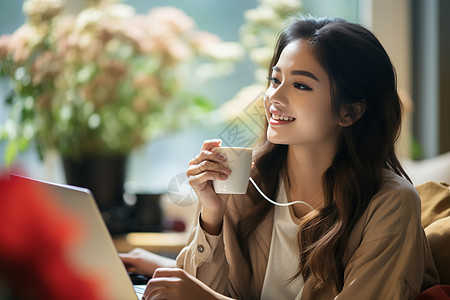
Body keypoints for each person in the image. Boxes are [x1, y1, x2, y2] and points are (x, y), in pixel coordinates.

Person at [120, 15, 439, 299]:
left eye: (300, 85)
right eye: (275, 80)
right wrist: (212, 216)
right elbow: (195, 290)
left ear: (350, 111)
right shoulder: (246, 181)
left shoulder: (390, 205)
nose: (274, 97)